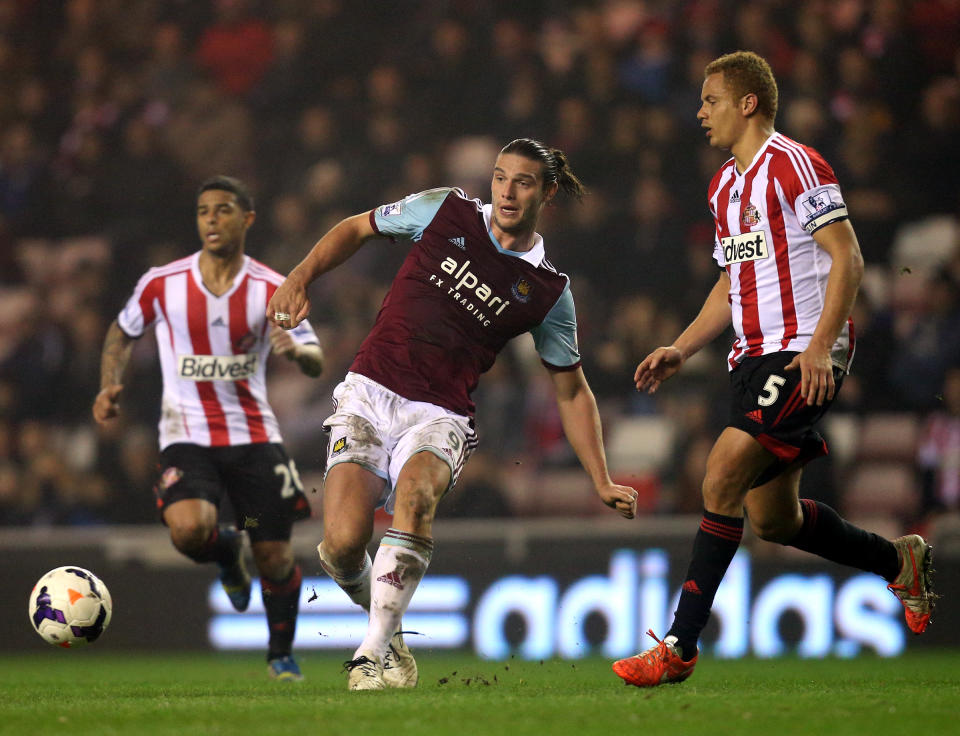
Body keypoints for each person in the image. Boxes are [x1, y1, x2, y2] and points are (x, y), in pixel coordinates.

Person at [612, 51, 935, 688]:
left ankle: (679, 644)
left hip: (802, 352)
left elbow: (849, 256)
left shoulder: (796, 164)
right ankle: (900, 562)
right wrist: (683, 346)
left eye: (710, 100)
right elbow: (733, 280)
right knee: (774, 520)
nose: (700, 112)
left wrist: (818, 348)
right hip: (749, 357)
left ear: (748, 103)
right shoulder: (722, 188)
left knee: (721, 470)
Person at [267, 138, 639, 690]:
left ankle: (369, 655)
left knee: (415, 499)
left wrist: (600, 477)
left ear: (548, 192)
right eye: (501, 177)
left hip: (440, 414)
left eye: (524, 182)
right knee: (343, 544)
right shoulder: (444, 209)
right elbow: (356, 227)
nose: (508, 191)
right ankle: (390, 636)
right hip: (369, 391)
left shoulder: (547, 292)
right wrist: (300, 276)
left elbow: (571, 391)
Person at [92, 176, 323, 681]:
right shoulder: (163, 282)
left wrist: (297, 352)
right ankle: (225, 552)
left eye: (223, 210)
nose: (212, 220)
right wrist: (109, 384)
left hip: (254, 438)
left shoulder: (269, 286)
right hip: (187, 435)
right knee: (189, 531)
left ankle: (280, 655)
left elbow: (316, 359)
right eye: (203, 212)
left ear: (247, 219)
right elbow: (123, 330)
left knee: (275, 554)